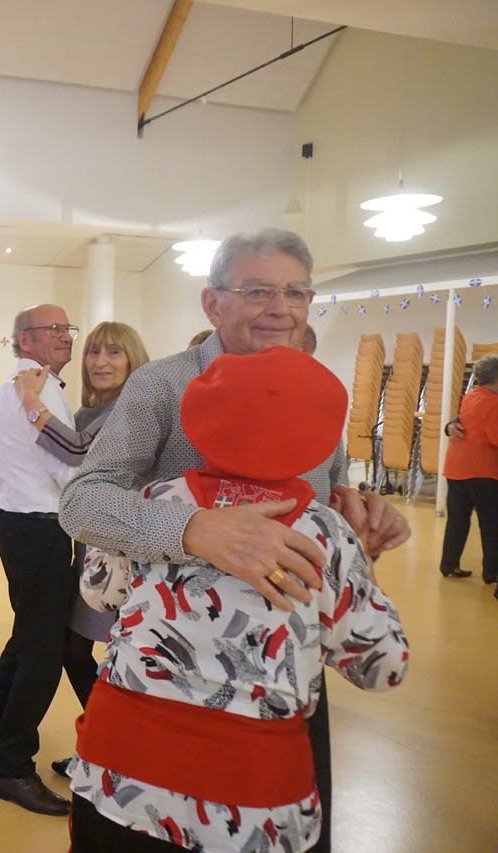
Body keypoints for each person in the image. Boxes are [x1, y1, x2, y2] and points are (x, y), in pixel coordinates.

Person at [60, 226, 412, 853]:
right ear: (212, 303)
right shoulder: (162, 385)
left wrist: (360, 531)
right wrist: (193, 528)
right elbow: (83, 500)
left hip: (277, 687)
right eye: (257, 291)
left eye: (296, 292)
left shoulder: (313, 393)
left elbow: (327, 498)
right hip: (164, 685)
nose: (281, 308)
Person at [0, 304, 81, 817]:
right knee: (43, 652)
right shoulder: (38, 388)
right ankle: (11, 766)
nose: (67, 337)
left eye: (68, 329)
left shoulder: (21, 385)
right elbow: (67, 470)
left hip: (19, 522)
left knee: (30, 635)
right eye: (55, 329)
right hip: (41, 525)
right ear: (25, 339)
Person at [16, 321, 150, 714]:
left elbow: (75, 450)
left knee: (96, 651)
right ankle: (106, 735)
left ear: (132, 360)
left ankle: (111, 737)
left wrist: (30, 400)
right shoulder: (90, 410)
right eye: (93, 351)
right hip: (93, 548)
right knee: (74, 648)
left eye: (114, 352)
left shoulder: (128, 408)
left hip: (123, 552)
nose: (100, 361)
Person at [439, 353, 498, 587]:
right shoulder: (494, 402)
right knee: (491, 522)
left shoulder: (471, 396)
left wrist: (450, 425)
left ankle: (449, 564)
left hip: (456, 467)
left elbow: (465, 421)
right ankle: (492, 572)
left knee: (458, 519)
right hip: (482, 470)